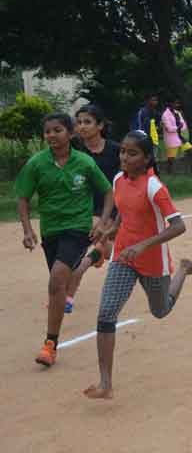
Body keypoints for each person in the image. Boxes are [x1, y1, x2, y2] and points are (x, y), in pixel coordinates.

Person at [84, 131, 192, 399]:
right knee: (106, 314)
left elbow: (179, 226)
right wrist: (109, 231)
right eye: (123, 151)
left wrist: (145, 244)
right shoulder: (117, 180)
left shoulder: (154, 187)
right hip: (124, 257)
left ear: (147, 158)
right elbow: (123, 216)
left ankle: (183, 268)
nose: (124, 157)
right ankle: (105, 383)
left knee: (160, 310)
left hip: (152, 260)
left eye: (132, 153)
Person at [16, 113, 114, 367]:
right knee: (59, 284)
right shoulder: (36, 164)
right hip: (51, 232)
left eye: (57, 130)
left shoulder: (84, 163)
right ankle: (96, 256)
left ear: (70, 134)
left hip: (78, 229)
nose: (52, 136)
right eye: (48, 131)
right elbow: (23, 198)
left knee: (56, 279)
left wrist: (102, 222)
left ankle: (50, 344)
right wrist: (27, 230)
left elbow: (107, 193)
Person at [65, 105, 121, 314]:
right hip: (86, 209)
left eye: (87, 122)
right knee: (84, 248)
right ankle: (67, 297)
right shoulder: (75, 153)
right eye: (79, 122)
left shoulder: (116, 150)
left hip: (115, 208)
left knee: (108, 251)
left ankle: (96, 254)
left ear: (100, 125)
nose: (82, 127)